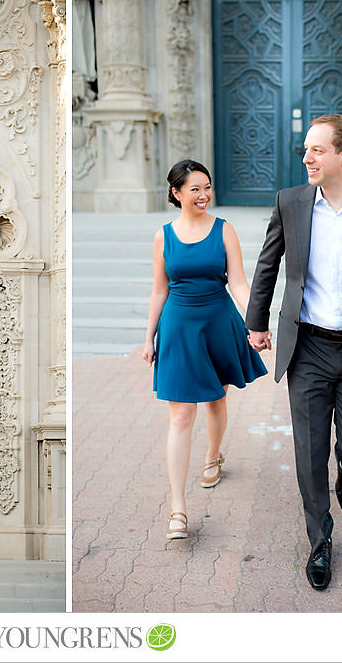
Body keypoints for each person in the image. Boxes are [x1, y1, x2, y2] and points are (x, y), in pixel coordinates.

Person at [245, 114, 342, 591]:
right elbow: (268, 263)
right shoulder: (290, 203)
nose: (306, 158)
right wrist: (256, 322)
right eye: (306, 149)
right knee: (308, 451)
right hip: (309, 347)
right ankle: (319, 539)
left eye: (316, 150)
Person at [143, 159, 268, 540]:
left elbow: (240, 284)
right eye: (194, 188)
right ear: (176, 193)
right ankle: (178, 509)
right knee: (181, 415)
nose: (203, 195)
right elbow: (159, 289)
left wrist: (256, 321)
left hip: (219, 322)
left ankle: (213, 456)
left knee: (216, 399)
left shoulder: (224, 230)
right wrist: (148, 337)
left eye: (207, 187)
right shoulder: (164, 235)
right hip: (179, 327)